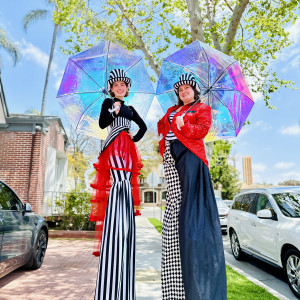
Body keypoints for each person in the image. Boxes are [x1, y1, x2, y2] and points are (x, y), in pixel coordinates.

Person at [157, 73, 227, 299]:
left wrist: (183, 124)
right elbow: (160, 127)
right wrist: (168, 120)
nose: (183, 91)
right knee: (176, 205)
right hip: (171, 158)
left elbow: (201, 132)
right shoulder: (172, 110)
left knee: (190, 210)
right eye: (180, 90)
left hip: (191, 156)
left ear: (195, 91)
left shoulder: (202, 109)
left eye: (187, 88)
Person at [89, 69, 147, 300]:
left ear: (127, 89)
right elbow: (103, 124)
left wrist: (135, 137)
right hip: (112, 144)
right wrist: (113, 113)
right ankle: (116, 206)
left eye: (124, 85)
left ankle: (124, 210)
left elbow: (143, 127)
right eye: (117, 85)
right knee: (118, 180)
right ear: (111, 88)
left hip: (127, 146)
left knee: (127, 178)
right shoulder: (107, 103)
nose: (120, 88)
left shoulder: (131, 110)